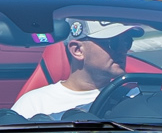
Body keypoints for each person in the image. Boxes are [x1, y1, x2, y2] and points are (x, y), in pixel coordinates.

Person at [10, 21, 145, 118]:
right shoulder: (34, 104)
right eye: (113, 43)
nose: (123, 50)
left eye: (127, 42)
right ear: (77, 50)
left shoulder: (136, 98)